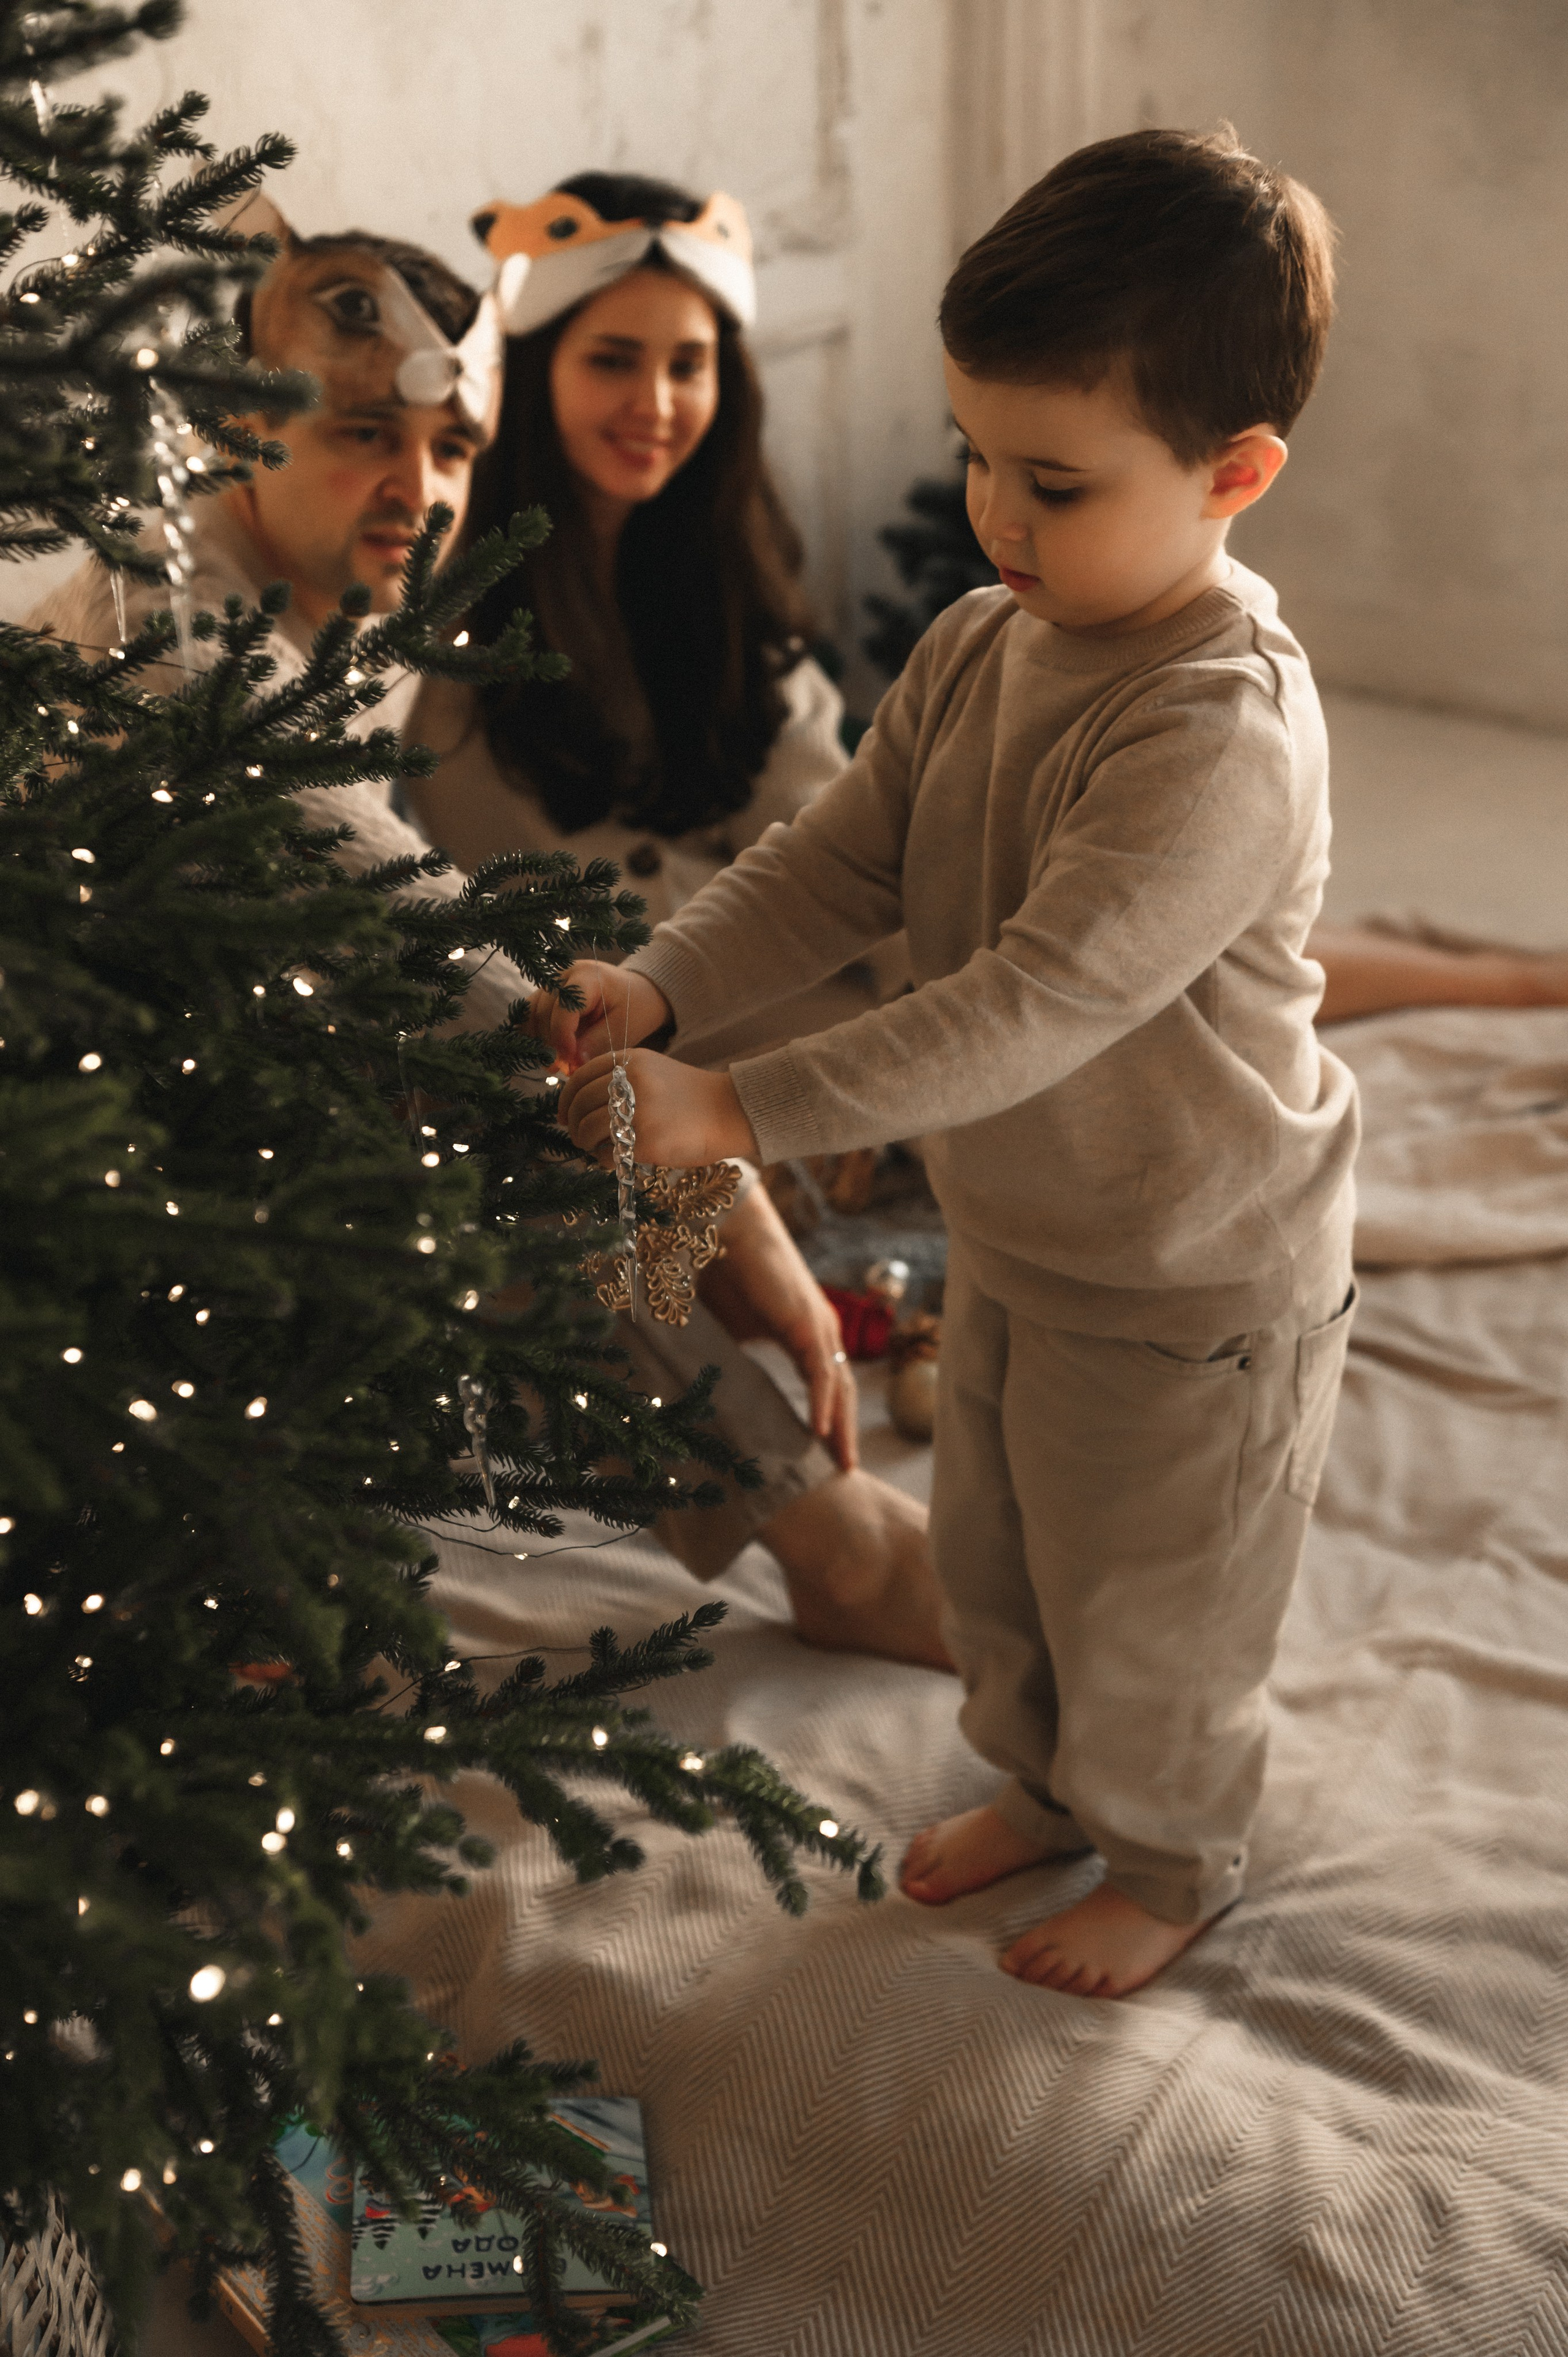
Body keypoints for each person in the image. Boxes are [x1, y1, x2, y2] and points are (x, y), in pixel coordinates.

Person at [539, 128, 1360, 2000]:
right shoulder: (992, 639)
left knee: (1153, 1605)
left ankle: (1167, 1854)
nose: (994, 510)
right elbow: (838, 861)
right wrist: (667, 995)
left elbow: (1029, 1004)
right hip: (1029, 1238)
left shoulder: (1214, 732)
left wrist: (738, 1109)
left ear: (1235, 476)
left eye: (1052, 481)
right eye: (975, 452)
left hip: (1194, 1277)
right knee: (1000, 1555)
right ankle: (1046, 1781)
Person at [399, 172, 946, 1669]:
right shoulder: (451, 605)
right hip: (617, 1065)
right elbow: (544, 948)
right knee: (592, 1169)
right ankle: (820, 1528)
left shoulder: (710, 563)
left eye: (688, 362)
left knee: (1017, 953)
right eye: (611, 359)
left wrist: (962, 982)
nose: (655, 402)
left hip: (759, 1044)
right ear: (530, 379)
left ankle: (1497, 976)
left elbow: (850, 834)